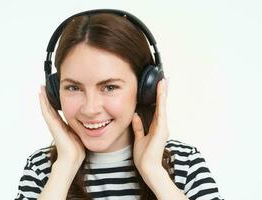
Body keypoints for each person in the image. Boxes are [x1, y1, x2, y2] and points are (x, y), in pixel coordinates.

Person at [15, 9, 223, 200]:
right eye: (73, 88)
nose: (90, 109)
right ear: (54, 91)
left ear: (146, 89)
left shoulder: (184, 163)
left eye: (110, 87)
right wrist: (65, 166)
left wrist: (153, 171)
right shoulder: (44, 169)